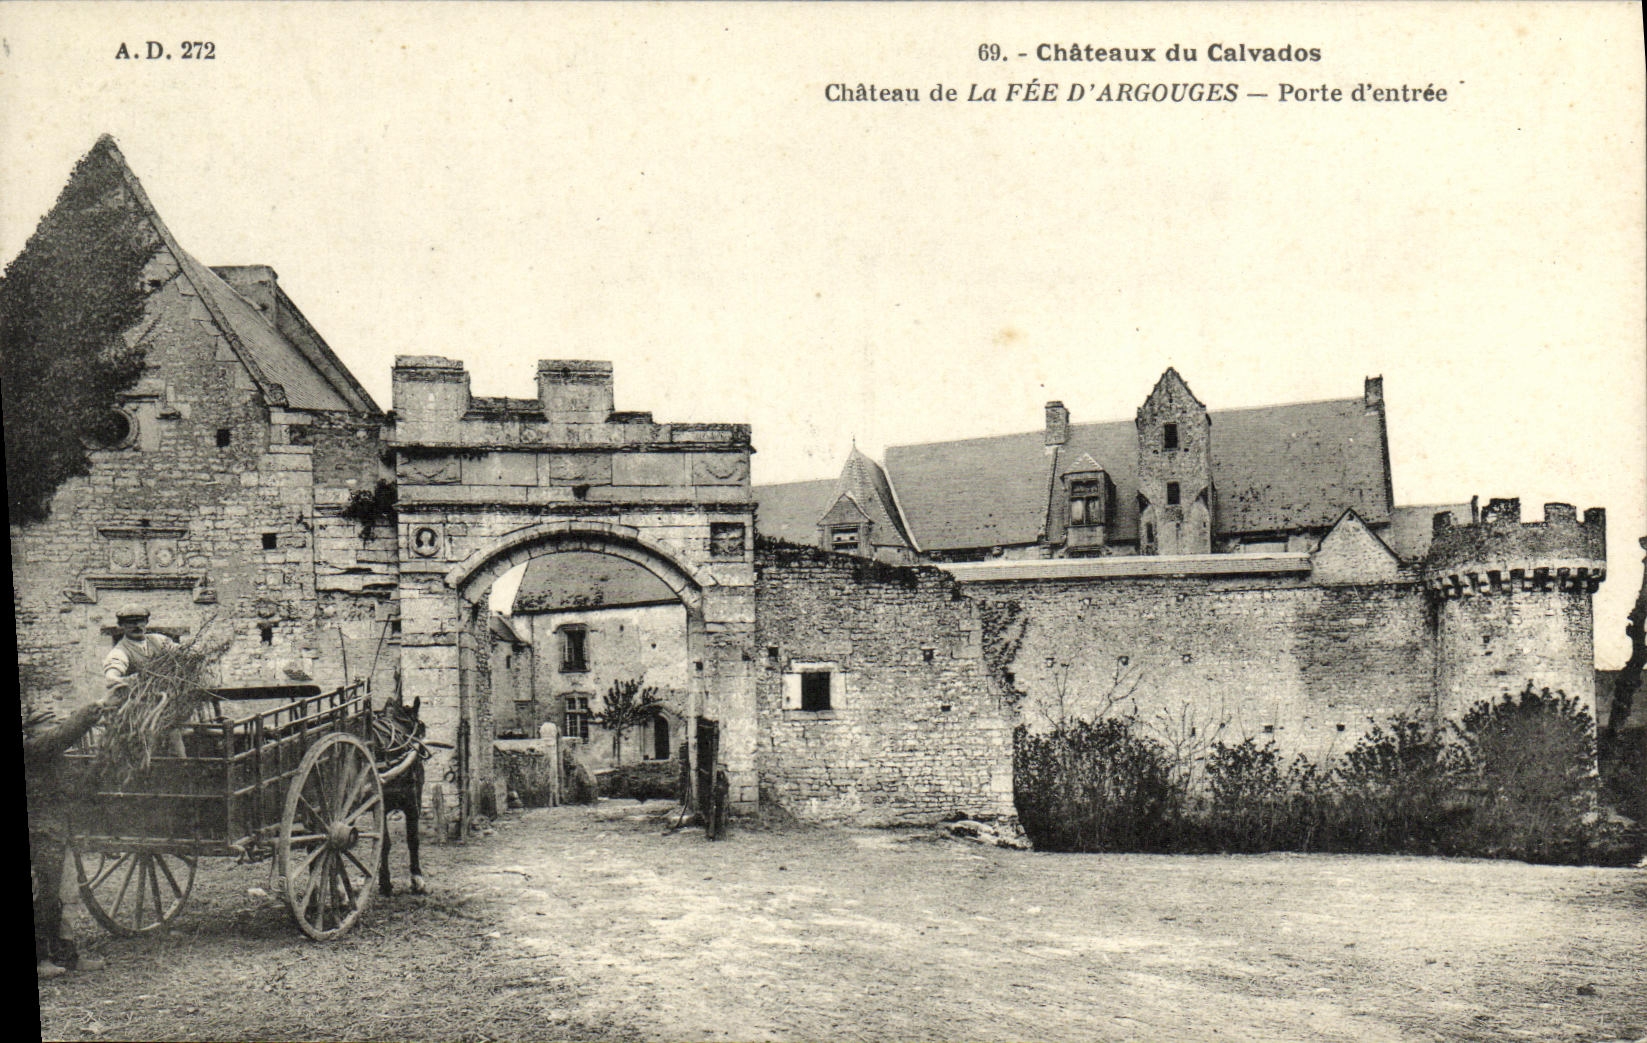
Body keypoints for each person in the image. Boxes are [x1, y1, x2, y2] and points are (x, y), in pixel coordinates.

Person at [26, 691, 121, 978]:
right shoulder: (33, 749)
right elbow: (61, 736)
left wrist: (103, 758)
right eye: (48, 728)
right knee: (43, 897)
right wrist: (96, 707)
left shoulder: (55, 760)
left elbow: (78, 791)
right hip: (39, 835)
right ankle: (41, 960)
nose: (53, 733)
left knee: (67, 894)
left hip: (59, 835)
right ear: (34, 732)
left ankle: (67, 956)